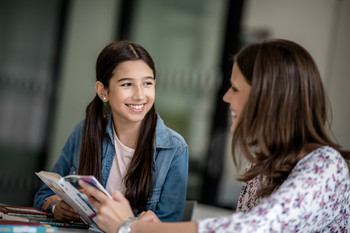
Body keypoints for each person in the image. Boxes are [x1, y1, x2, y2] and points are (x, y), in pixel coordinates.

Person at [79, 38, 350, 232]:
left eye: (234, 88)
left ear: (266, 98)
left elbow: (253, 228)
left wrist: (132, 228)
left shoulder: (326, 165)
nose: (225, 97)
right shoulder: (262, 166)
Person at [34, 40, 189, 222]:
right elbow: (43, 195)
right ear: (103, 91)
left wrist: (122, 221)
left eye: (147, 83)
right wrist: (56, 207)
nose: (139, 95)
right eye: (126, 84)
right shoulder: (83, 132)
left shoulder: (174, 149)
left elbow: (168, 225)